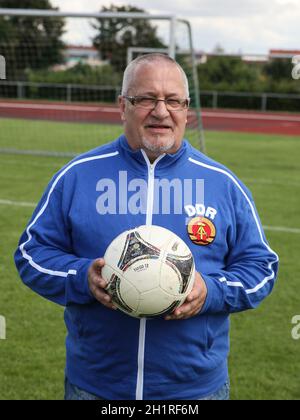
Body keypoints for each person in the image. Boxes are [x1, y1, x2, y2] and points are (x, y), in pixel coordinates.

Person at [14, 54, 279, 400]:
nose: (161, 111)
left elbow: (262, 268)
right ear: (123, 106)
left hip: (195, 390)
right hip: (96, 386)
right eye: (146, 99)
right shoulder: (77, 176)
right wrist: (83, 278)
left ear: (187, 109)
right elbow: (30, 254)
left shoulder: (223, 184)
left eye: (173, 100)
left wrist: (210, 292)